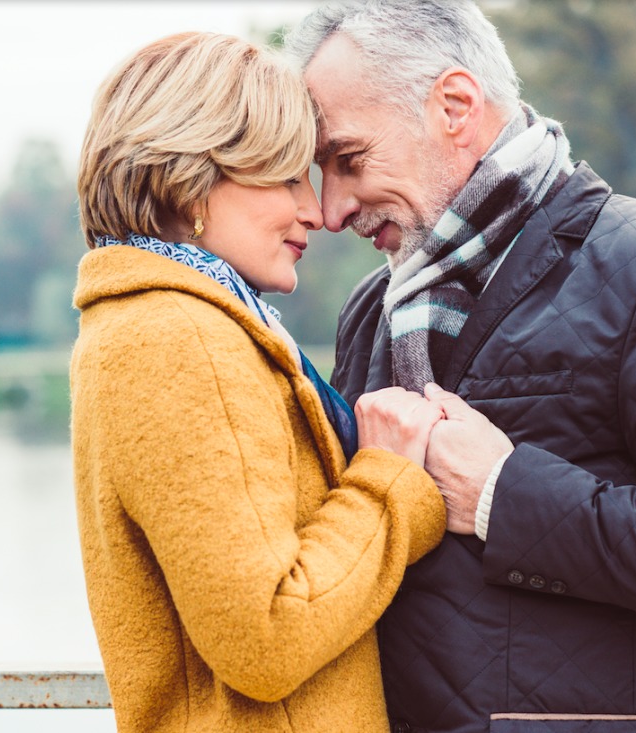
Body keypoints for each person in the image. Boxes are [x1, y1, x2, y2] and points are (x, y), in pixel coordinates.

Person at [285, 3, 636, 732]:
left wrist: (501, 494)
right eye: (318, 172)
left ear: (455, 107)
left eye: (348, 160)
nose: (330, 209)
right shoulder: (372, 309)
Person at [71, 31, 447, 733]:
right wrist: (391, 479)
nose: (315, 210)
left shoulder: (168, 321)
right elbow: (267, 636)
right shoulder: (179, 338)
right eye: (283, 178)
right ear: (190, 179)